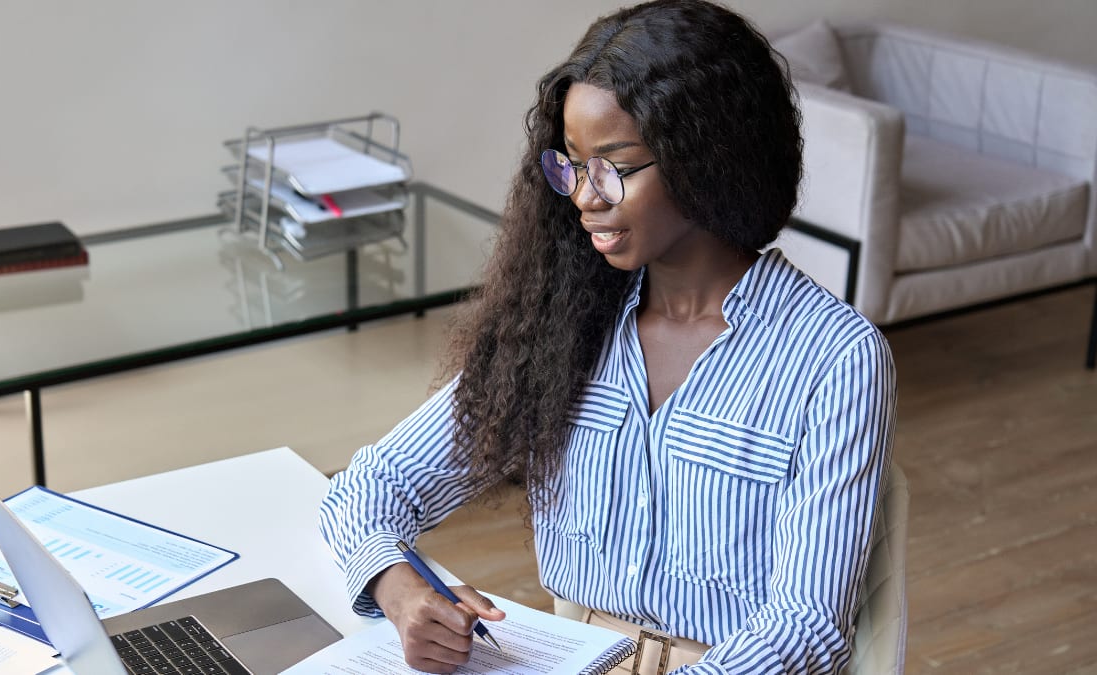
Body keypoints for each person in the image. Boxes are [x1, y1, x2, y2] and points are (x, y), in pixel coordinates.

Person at [319, 1, 896, 673]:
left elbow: (806, 627)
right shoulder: (560, 324)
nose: (585, 197)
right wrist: (402, 593)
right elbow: (371, 486)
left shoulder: (835, 358)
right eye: (572, 165)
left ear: (706, 158)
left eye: (613, 167)